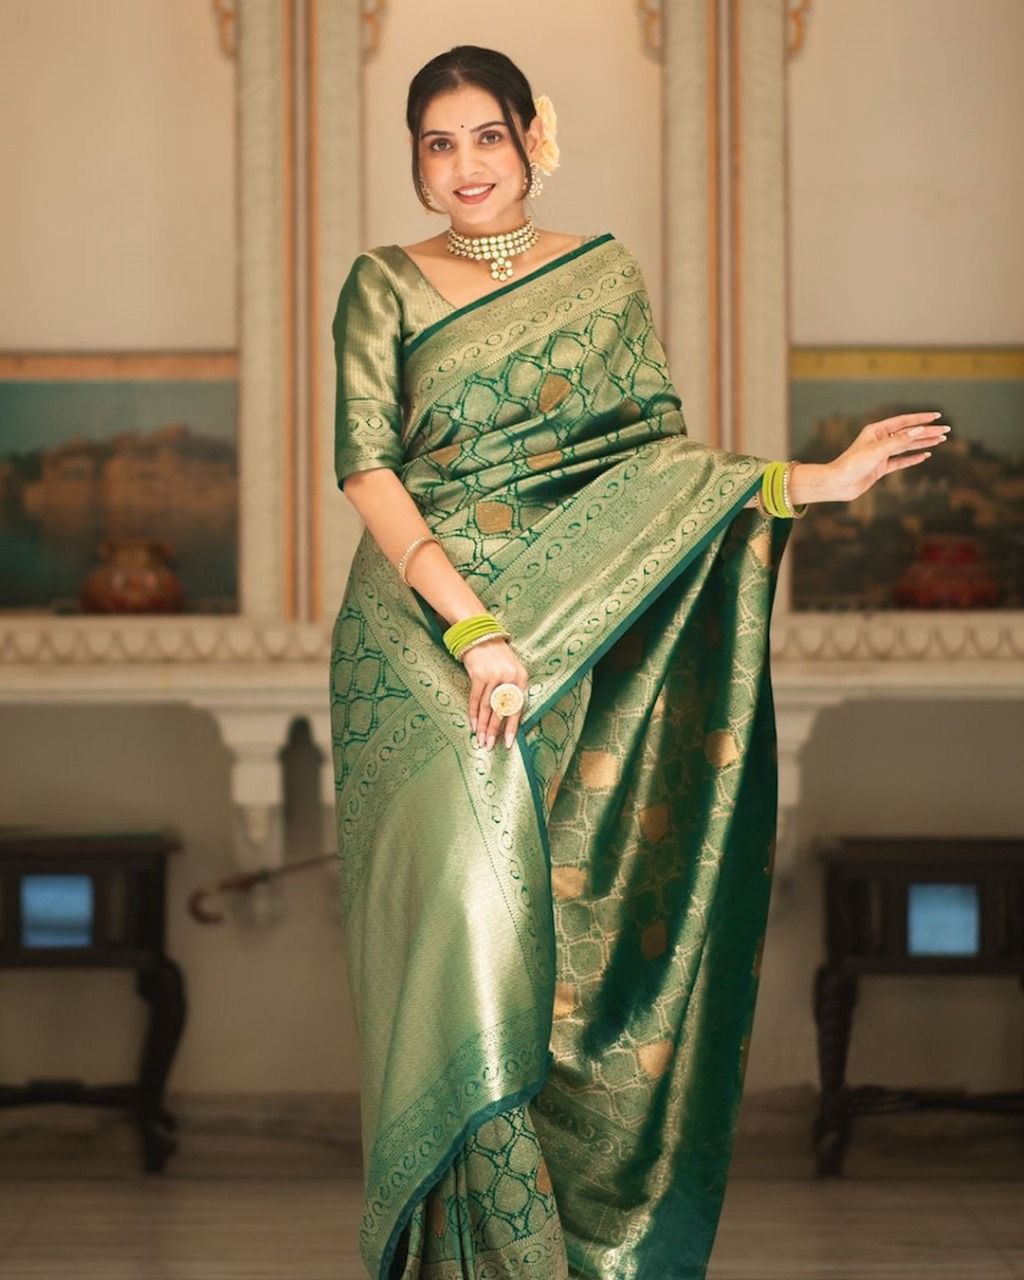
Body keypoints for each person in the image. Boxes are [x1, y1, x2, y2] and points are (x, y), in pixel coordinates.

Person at [329, 45, 950, 1280]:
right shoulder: (383, 282)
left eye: (486, 136)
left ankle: (556, 1250)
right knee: (457, 914)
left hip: (570, 611)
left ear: (531, 137)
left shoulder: (601, 275)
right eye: (438, 143)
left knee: (550, 922)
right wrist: (473, 630)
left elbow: (654, 469)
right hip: (418, 629)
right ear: (416, 160)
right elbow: (367, 468)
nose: (464, 165)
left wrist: (811, 482)